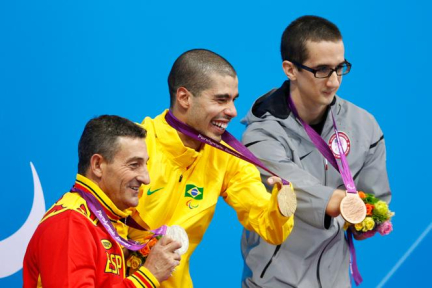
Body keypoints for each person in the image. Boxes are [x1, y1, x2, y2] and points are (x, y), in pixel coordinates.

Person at [240, 16, 391, 288]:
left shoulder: (364, 126)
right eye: (322, 70)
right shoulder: (260, 136)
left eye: (340, 68)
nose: (333, 81)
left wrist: (372, 217)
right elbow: (293, 188)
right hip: (274, 279)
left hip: (336, 279)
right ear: (290, 69)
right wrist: (346, 204)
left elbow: (374, 201)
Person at [128, 49, 296, 288]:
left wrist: (280, 206)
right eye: (221, 99)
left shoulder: (226, 157)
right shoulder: (133, 145)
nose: (233, 111)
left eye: (233, 100)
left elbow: (271, 230)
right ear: (185, 98)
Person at [23, 115, 181, 288]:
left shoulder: (108, 220)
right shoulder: (71, 222)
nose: (146, 178)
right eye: (134, 165)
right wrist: (147, 277)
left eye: (146, 165)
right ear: (98, 165)